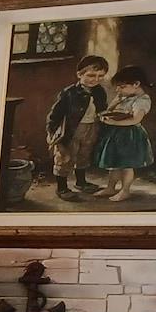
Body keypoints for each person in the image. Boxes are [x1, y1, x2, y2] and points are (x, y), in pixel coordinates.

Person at [45, 54, 111, 202]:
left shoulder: (100, 91)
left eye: (100, 76)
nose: (96, 79)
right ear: (79, 74)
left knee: (84, 155)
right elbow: (55, 115)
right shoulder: (69, 93)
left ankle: (81, 182)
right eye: (91, 75)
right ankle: (61, 188)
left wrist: (104, 116)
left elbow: (102, 108)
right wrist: (52, 132)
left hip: (92, 127)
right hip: (72, 130)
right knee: (65, 158)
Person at [92, 66, 155, 202]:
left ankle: (125, 191)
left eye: (122, 87)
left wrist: (113, 123)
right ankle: (111, 187)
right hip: (117, 134)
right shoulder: (125, 97)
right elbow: (109, 111)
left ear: (136, 84)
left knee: (126, 165)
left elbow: (135, 120)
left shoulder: (142, 100)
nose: (118, 90)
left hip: (130, 135)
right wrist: (115, 102)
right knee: (114, 163)